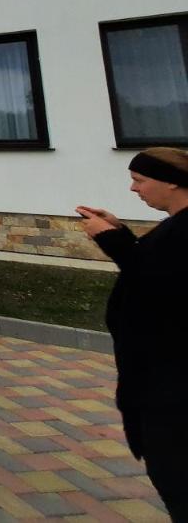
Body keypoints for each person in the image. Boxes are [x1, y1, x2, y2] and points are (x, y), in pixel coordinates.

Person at [79, 147, 188, 520]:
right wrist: (122, 234)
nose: (133, 189)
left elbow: (165, 286)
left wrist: (116, 243)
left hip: (174, 393)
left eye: (140, 180)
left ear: (171, 181)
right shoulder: (177, 224)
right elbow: (160, 265)